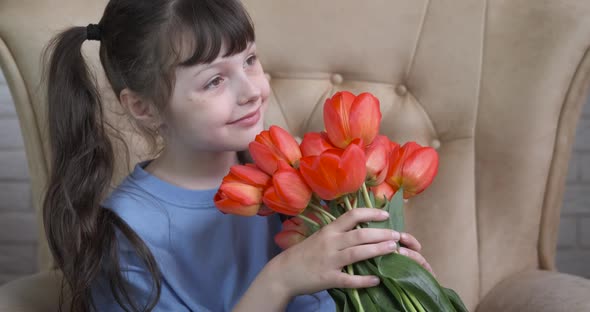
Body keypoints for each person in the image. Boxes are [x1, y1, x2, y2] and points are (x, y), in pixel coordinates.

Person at [42, 0, 434, 311]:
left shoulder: (297, 176)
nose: (251, 90)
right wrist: (281, 278)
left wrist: (393, 275)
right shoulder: (125, 233)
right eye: (214, 80)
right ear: (144, 107)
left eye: (249, 59)